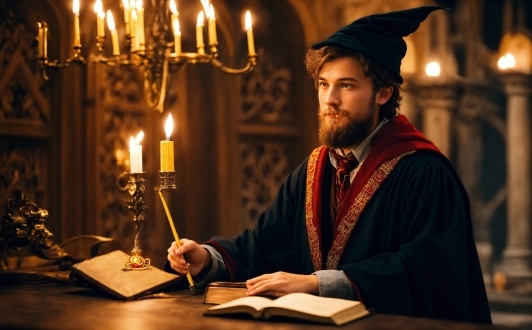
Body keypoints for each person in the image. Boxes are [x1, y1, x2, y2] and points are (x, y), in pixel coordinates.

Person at [167, 5, 492, 324]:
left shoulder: (424, 172)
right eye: (324, 84)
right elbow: (264, 245)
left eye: (346, 85)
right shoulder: (315, 168)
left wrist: (317, 283)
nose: (329, 99)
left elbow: (427, 271)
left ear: (383, 94)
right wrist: (207, 258)